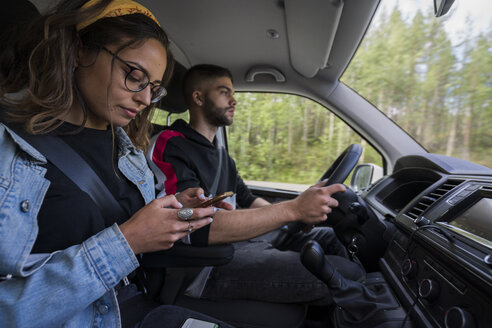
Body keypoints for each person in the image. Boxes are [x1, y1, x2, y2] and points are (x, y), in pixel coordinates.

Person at [0, 1, 235, 327]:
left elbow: (133, 226)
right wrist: (126, 242)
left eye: (153, 88)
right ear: (80, 52)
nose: (143, 99)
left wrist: (175, 210)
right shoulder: (9, 150)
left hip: (136, 307)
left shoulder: (128, 149)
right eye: (135, 75)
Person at [148, 64, 365, 304]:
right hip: (205, 263)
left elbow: (248, 199)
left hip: (240, 242)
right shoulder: (170, 144)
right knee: (348, 274)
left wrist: (301, 209)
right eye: (224, 92)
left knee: (330, 237)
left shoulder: (222, 156)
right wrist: (294, 209)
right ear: (198, 97)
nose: (234, 101)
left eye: (233, 94)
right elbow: (191, 226)